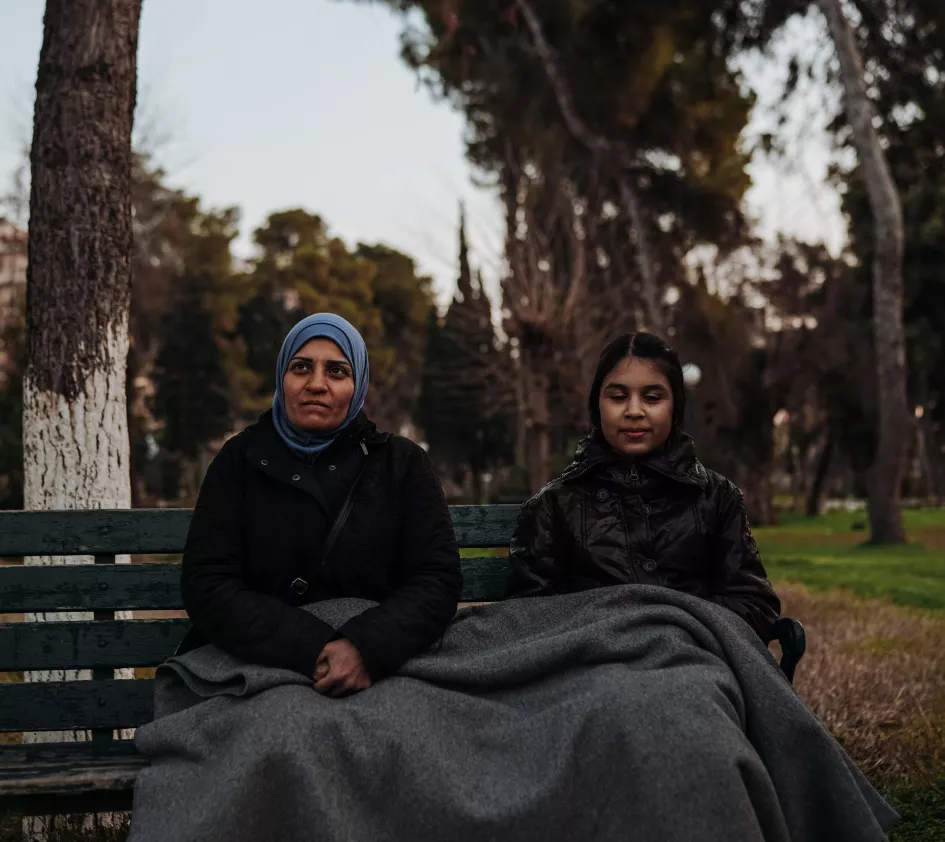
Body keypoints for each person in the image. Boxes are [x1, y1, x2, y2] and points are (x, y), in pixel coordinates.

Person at [178, 313, 462, 697]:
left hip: (382, 668)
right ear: (282, 376)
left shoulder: (402, 464)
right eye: (301, 367)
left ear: (358, 383)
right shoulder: (239, 460)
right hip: (261, 664)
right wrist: (312, 648)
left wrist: (365, 648)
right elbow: (208, 584)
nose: (316, 384)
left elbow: (436, 580)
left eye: (336, 371)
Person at [507, 332, 780, 641]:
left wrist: (676, 630)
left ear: (675, 406)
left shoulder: (716, 498)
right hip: (593, 670)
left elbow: (754, 604)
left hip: (699, 664)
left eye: (652, 398)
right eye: (618, 396)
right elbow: (528, 620)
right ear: (597, 406)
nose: (634, 411)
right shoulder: (555, 506)